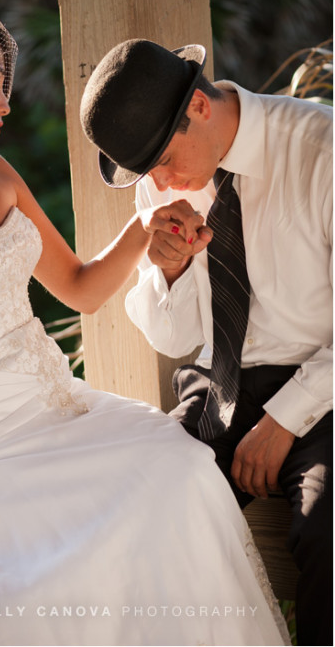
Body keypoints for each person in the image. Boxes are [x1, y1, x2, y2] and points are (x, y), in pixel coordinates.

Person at [0, 0, 288, 645]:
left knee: (181, 468)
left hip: (58, 402)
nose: (5, 104)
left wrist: (146, 227)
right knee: (65, 563)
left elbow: (80, 288)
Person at [81, 38, 332, 646]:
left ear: (198, 104)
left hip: (324, 386)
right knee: (138, 508)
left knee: (325, 532)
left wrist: (284, 420)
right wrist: (166, 268)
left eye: (164, 161)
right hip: (221, 378)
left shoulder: (321, 147)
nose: (162, 183)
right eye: (148, 174)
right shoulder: (163, 181)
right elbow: (176, 335)